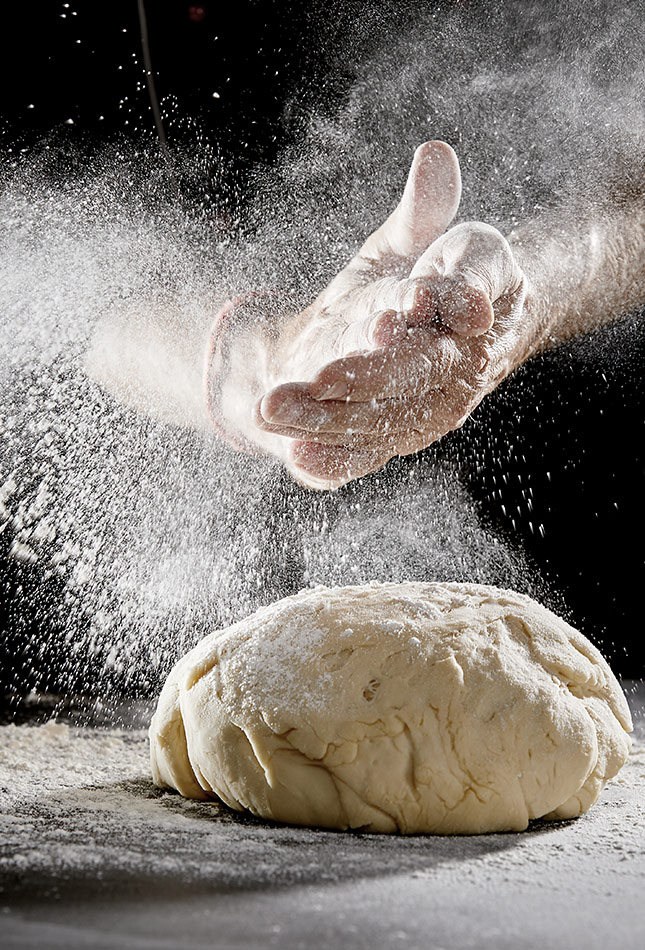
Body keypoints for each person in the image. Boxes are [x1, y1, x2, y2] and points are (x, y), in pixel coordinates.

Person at [87, 141, 645, 489]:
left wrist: (522, 292)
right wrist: (260, 363)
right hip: (249, 582)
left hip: (583, 513)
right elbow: (92, 324)